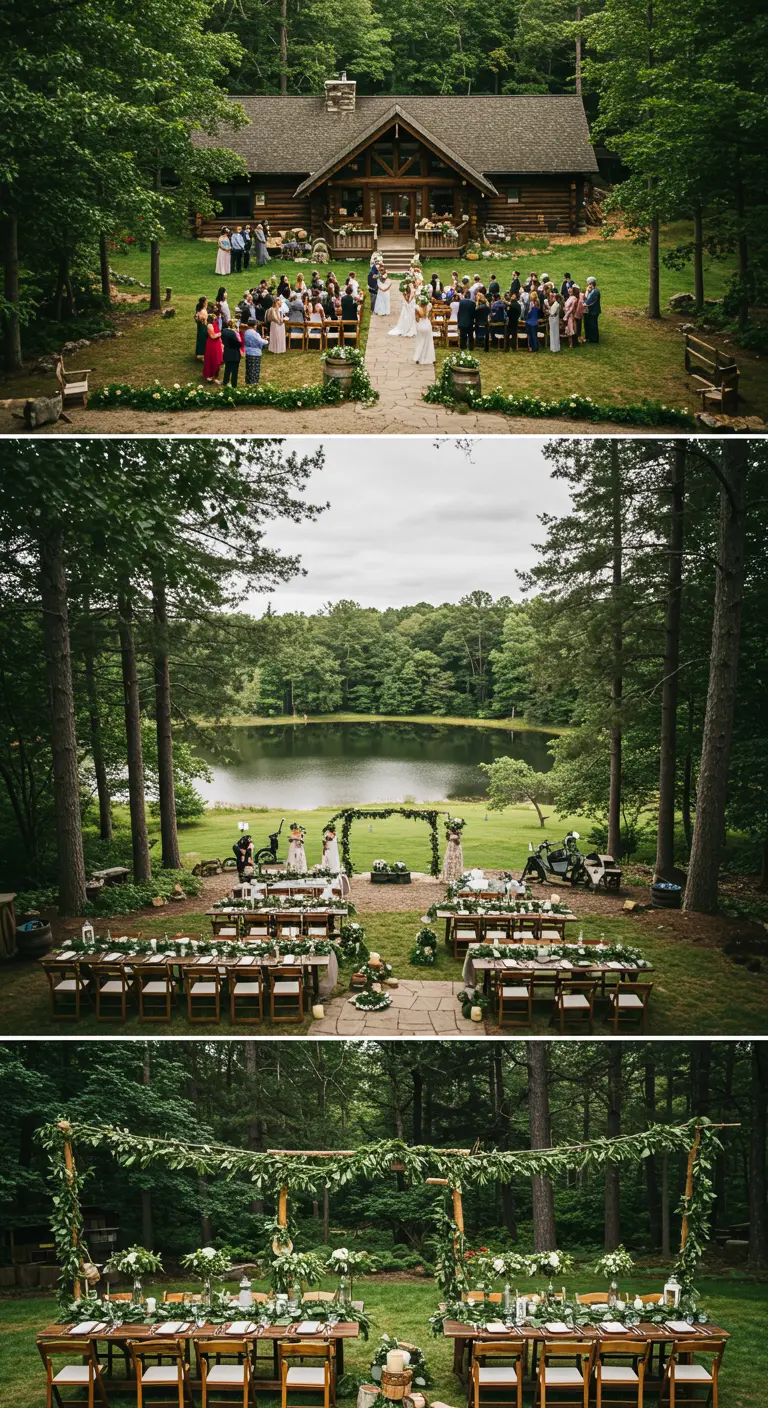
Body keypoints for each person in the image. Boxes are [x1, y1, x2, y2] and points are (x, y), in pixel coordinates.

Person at [413, 294, 435, 364]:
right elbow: (430, 316)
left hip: (420, 325)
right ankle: (429, 358)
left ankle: (419, 358)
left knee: (420, 341)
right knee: (428, 342)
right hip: (427, 324)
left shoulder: (416, 307)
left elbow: (417, 319)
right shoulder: (429, 306)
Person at [220, 318, 243, 386]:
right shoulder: (234, 333)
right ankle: (234, 384)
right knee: (234, 371)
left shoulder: (223, 331)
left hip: (227, 352)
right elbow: (239, 343)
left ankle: (225, 381)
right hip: (234, 354)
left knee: (227, 369)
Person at [202, 311, 223, 381]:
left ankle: (215, 372)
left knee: (217, 357)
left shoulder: (214, 324)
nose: (215, 319)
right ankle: (211, 374)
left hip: (217, 343)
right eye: (214, 318)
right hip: (212, 344)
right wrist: (220, 334)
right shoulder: (209, 325)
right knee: (212, 358)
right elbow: (213, 336)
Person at [563, 284, 583, 348]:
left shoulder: (574, 299)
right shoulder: (571, 297)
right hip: (569, 315)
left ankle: (572, 344)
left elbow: (571, 309)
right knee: (571, 329)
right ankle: (572, 343)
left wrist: (566, 316)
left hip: (570, 316)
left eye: (570, 291)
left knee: (571, 330)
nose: (569, 291)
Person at [584, 277, 601, 342]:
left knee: (593, 325)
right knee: (591, 324)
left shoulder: (595, 292)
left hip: (594, 311)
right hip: (592, 311)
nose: (587, 285)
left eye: (588, 284)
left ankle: (594, 339)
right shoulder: (593, 291)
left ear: (591, 284)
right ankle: (590, 337)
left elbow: (589, 302)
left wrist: (587, 293)